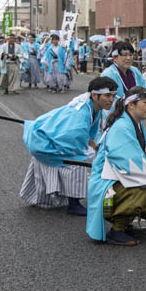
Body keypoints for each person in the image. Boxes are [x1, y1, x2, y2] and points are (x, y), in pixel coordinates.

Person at [86, 86, 146, 245]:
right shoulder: (122, 127)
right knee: (145, 190)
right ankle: (117, 229)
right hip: (106, 185)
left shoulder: (133, 123)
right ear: (131, 105)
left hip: (117, 177)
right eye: (145, 102)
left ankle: (125, 221)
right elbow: (128, 162)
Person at [20, 77, 117, 215]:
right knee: (77, 160)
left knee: (85, 153)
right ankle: (74, 203)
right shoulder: (81, 112)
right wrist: (86, 151)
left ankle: (57, 195)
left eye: (113, 95)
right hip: (42, 140)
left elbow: (88, 134)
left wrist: (95, 146)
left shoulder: (93, 107)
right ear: (95, 95)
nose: (111, 99)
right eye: (107, 95)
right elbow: (70, 140)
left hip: (48, 136)